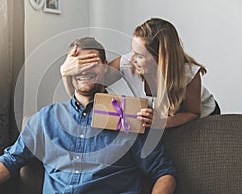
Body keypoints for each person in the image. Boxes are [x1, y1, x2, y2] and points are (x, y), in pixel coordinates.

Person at [0, 37, 176, 194]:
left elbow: (164, 171)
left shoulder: (132, 117)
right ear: (67, 70)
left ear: (106, 69)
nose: (83, 69)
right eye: (76, 64)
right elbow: (10, 160)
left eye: (92, 63)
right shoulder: (45, 119)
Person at [60, 18, 221, 129]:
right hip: (162, 116)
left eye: (140, 55)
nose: (132, 59)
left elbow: (193, 112)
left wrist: (163, 123)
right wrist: (66, 73)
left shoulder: (188, 74)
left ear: (161, 59)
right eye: (133, 51)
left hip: (200, 116)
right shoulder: (127, 62)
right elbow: (86, 94)